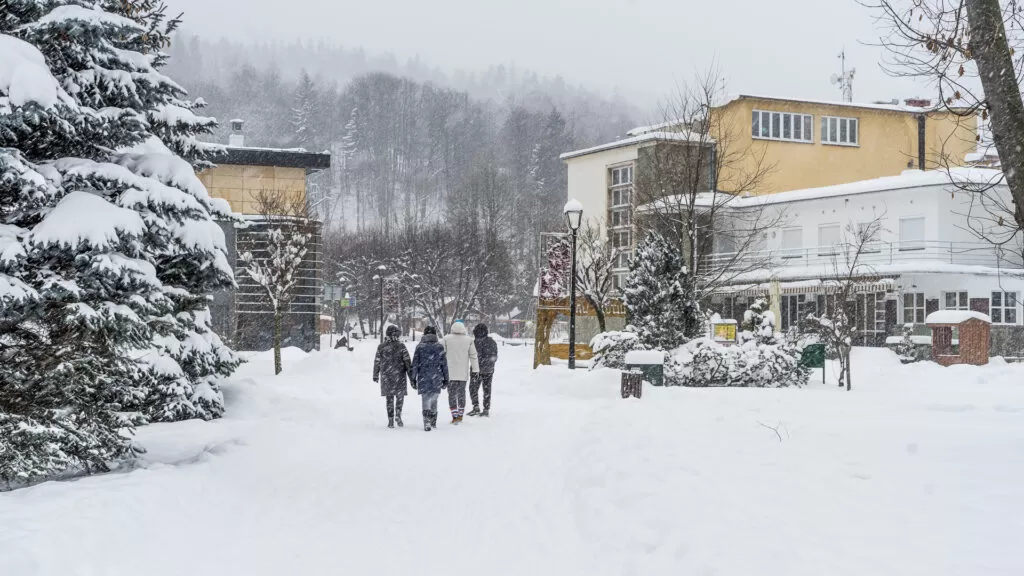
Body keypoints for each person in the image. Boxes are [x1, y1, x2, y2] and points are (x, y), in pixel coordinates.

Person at [373, 326, 412, 429]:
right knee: (400, 397)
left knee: (389, 398)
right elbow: (407, 361)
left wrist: (375, 374)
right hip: (400, 376)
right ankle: (398, 415)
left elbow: (377, 361)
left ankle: (390, 420)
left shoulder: (381, 347)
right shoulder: (401, 346)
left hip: (387, 376)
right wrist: (411, 375)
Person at [442, 321, 479, 424]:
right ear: (463, 329)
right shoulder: (469, 340)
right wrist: (476, 369)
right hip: (463, 373)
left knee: (452, 395)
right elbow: (473, 356)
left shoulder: (446, 339)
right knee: (462, 393)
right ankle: (460, 415)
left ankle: (454, 416)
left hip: (450, 373)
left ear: (452, 329)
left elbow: (441, 354)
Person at [412, 326, 448, 432]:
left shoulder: (420, 347)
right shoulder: (439, 347)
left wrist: (413, 378)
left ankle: (426, 421)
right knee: (434, 399)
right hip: (437, 376)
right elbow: (444, 365)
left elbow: (415, 364)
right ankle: (433, 420)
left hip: (423, 376)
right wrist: (446, 378)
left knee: (425, 399)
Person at [468, 323, 498, 417]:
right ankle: (486, 409)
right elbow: (495, 356)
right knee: (487, 389)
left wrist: (478, 364)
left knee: (473, 388)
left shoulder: (474, 342)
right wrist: (490, 364)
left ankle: (476, 406)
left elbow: (472, 356)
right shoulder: (492, 342)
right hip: (489, 370)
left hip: (476, 370)